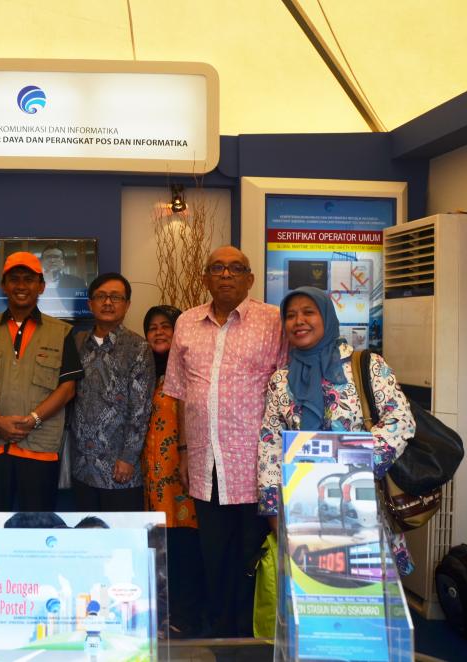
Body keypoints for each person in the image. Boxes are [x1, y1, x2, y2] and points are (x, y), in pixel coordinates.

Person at [164, 245, 286, 637]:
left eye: (236, 268)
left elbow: (286, 390)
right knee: (213, 552)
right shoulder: (186, 322)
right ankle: (219, 631)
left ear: (250, 278)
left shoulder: (273, 321)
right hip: (206, 462)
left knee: (251, 554)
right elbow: (180, 394)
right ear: (205, 278)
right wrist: (184, 451)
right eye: (217, 268)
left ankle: (250, 634)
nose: (226, 274)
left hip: (256, 464)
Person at [257, 286, 415, 574]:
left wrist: (351, 466)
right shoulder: (281, 381)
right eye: (290, 315)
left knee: (365, 590)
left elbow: (400, 421)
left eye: (309, 312)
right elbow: (270, 445)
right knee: (317, 589)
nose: (298, 321)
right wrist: (273, 510)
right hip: (302, 509)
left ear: (327, 316)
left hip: (362, 504)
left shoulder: (366, 366)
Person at [0, 251, 83, 511]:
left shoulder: (61, 332)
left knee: (37, 524)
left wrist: (34, 418)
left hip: (40, 448)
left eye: (29, 279)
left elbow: (68, 388)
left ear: (41, 286)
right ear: (4, 286)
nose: (21, 286)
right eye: (14, 279)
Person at [140, 304, 204, 636]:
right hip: (150, 477)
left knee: (184, 545)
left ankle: (186, 617)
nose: (159, 332)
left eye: (167, 326)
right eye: (152, 327)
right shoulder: (143, 372)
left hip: (181, 473)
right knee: (158, 545)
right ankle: (161, 616)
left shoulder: (191, 370)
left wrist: (185, 455)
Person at [70, 273, 154, 511]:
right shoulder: (77, 343)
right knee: (85, 530)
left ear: (127, 305)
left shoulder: (138, 348)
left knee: (120, 532)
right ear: (90, 304)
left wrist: (128, 457)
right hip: (81, 465)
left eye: (116, 297)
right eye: (101, 296)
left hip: (119, 469)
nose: (108, 302)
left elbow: (140, 410)